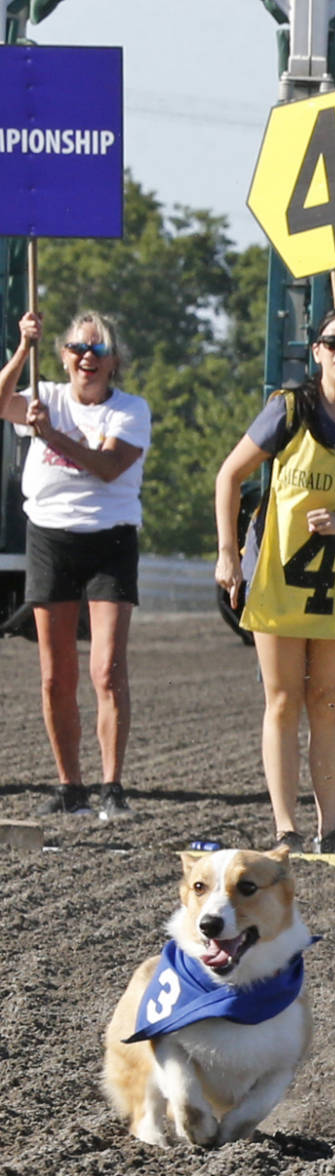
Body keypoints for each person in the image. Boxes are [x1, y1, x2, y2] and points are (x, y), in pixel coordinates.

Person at [214, 307, 335, 853]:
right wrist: (228, 554)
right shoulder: (289, 409)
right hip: (277, 576)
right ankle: (286, 827)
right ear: (317, 351)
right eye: (333, 340)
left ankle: (329, 829)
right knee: (282, 700)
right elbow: (230, 475)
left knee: (326, 702)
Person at [0, 309, 150, 820]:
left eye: (99, 350)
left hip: (109, 540)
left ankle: (113, 787)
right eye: (78, 349)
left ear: (113, 362)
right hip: (50, 537)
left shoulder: (130, 411)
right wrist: (22, 348)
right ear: (63, 356)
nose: (88, 357)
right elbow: (0, 401)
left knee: (106, 670)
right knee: (54, 676)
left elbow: (108, 468)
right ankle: (71, 787)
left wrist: (51, 437)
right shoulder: (45, 397)